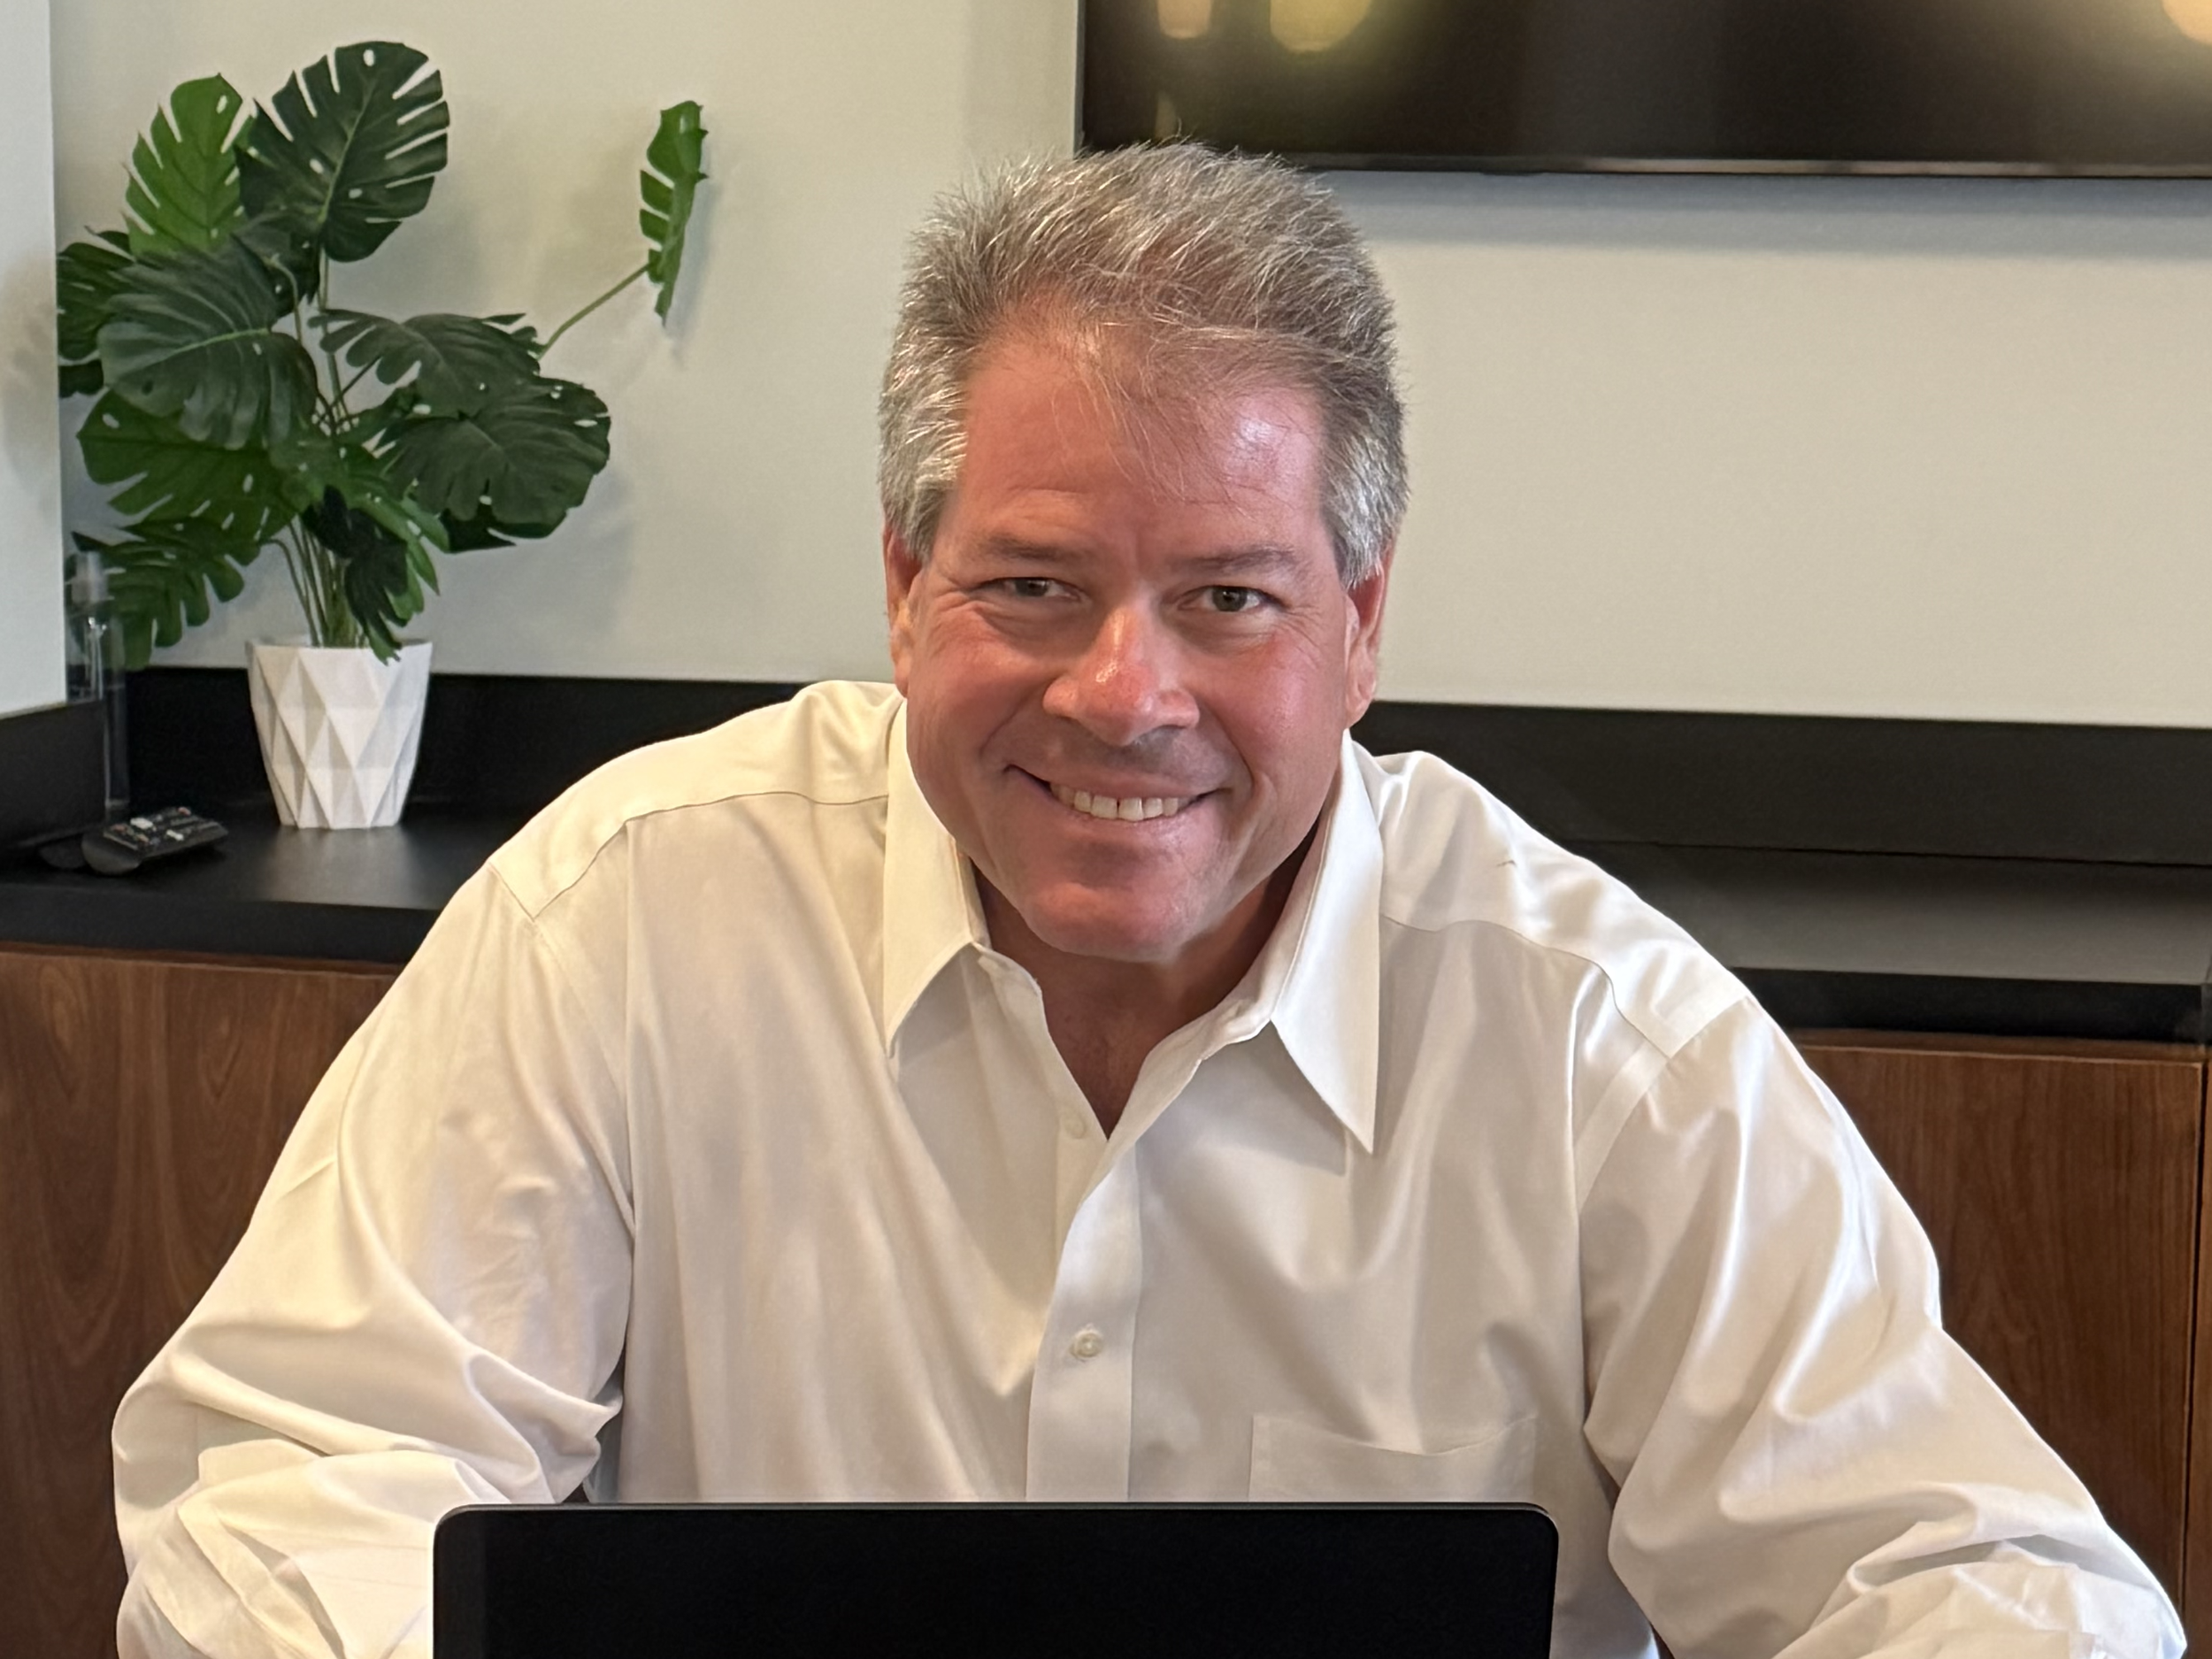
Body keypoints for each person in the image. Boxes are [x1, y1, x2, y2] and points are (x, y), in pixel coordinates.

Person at [115, 145, 2180, 1659]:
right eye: (1030, 584)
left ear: (1355, 626)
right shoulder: (629, 911)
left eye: (1228, 597)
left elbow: (1969, 1584)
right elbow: (303, 1464)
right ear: (902, 587)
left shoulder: (1585, 1032)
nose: (1126, 691)